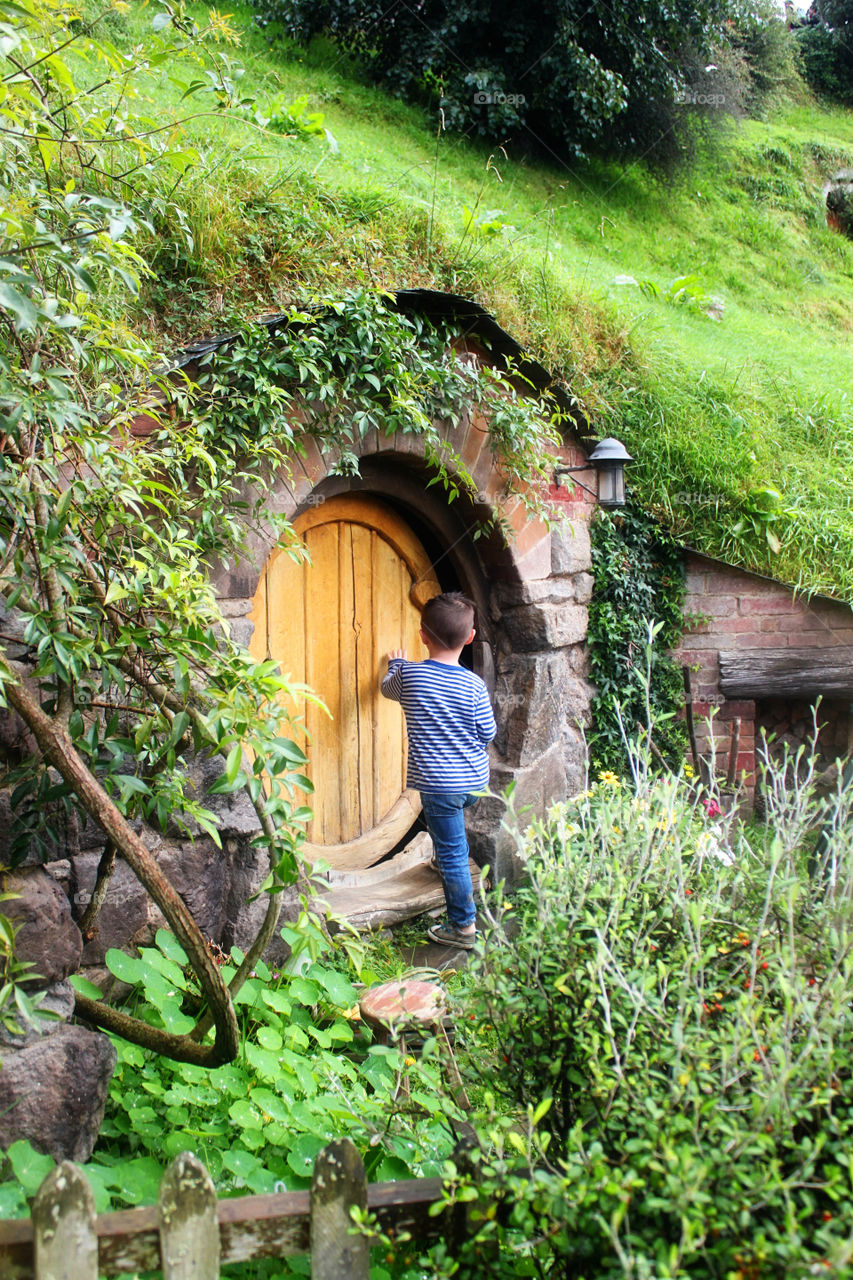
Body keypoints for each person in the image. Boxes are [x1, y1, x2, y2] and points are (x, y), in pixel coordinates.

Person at [380, 592, 496, 949]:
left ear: (422, 635)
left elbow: (387, 689)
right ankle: (444, 860)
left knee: (453, 851)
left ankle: (463, 927)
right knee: (450, 836)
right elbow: (488, 732)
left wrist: (394, 666)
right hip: (474, 783)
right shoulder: (474, 684)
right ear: (471, 637)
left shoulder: (411, 677)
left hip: (440, 784)